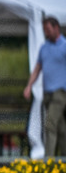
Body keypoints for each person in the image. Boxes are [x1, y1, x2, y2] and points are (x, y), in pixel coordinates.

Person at [23, 16, 66, 157]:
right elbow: (37, 69)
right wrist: (29, 86)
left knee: (49, 125)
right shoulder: (44, 48)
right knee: (60, 127)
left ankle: (48, 161)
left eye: (48, 30)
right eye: (44, 30)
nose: (46, 33)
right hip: (47, 92)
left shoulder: (64, 46)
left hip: (60, 92)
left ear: (56, 28)